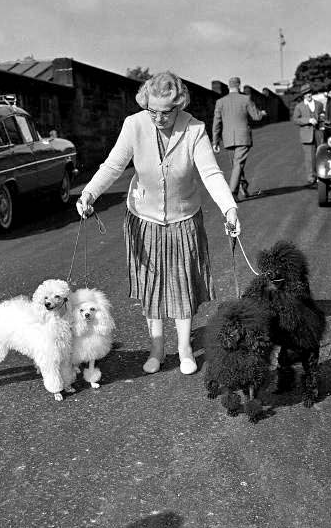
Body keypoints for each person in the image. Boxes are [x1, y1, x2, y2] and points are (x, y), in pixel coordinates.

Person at [76, 71, 240, 376]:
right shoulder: (134, 124)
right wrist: (89, 193)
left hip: (183, 219)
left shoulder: (195, 129)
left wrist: (229, 209)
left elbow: (211, 174)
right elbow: (113, 165)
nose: (159, 118)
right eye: (152, 110)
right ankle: (156, 347)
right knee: (152, 287)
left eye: (166, 112)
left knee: (181, 284)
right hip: (143, 218)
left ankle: (185, 349)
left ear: (179, 106)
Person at [212, 77, 266, 200]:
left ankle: (243, 187)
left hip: (228, 139)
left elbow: (216, 123)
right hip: (243, 137)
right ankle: (232, 193)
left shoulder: (220, 102)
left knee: (236, 164)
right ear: (239, 86)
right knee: (238, 164)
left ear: (228, 87)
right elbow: (256, 117)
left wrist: (215, 141)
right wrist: (262, 113)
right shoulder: (246, 99)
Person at [292, 84, 323, 185]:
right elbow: (295, 120)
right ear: (303, 95)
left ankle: (321, 176)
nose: (308, 95)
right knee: (309, 158)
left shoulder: (319, 104)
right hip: (306, 135)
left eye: (309, 92)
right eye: (306, 93)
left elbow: (323, 115)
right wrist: (308, 120)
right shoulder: (299, 106)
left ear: (311, 93)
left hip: (319, 133)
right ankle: (311, 178)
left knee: (320, 155)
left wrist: (322, 119)